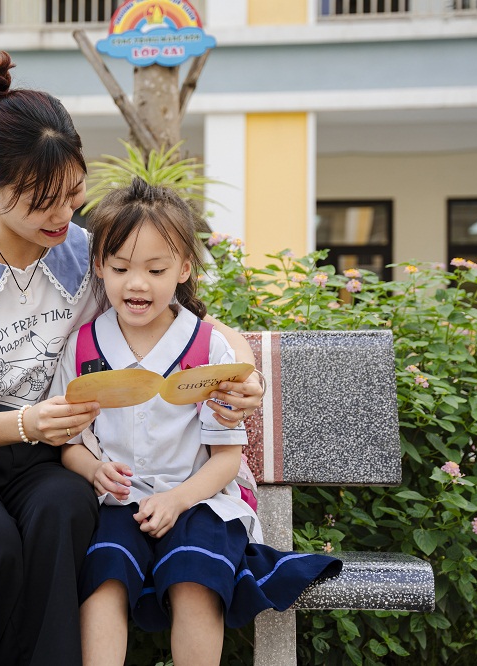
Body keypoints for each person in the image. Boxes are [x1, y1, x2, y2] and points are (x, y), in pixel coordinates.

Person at [0, 51, 264, 666]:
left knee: (64, 508)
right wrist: (25, 423)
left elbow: (189, 317)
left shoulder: (84, 252)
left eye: (73, 193)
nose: (62, 215)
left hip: (43, 462)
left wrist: (243, 370)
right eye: (41, 201)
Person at [53, 178, 342, 666]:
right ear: (99, 265)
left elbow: (227, 460)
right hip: (118, 501)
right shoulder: (82, 347)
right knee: (103, 576)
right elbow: (69, 442)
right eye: (120, 267)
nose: (136, 283)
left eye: (155, 268)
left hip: (201, 497)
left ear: (184, 268)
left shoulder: (208, 349)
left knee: (195, 579)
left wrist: (177, 499)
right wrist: (91, 470)